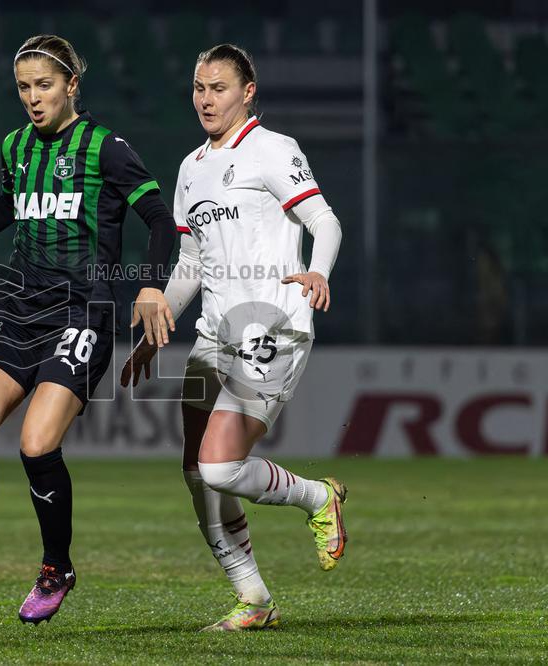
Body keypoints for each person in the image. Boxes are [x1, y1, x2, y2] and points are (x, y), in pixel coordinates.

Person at [0, 34, 177, 625]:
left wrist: (150, 286)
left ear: (72, 85)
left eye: (44, 85)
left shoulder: (107, 148)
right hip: (20, 308)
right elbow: (9, 204)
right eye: (24, 87)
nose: (33, 98)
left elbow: (160, 219)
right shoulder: (17, 145)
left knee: (37, 444)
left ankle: (56, 568)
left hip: (83, 311)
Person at [121, 43, 346, 632]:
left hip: (271, 325)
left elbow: (325, 219)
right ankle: (254, 598)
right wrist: (156, 325)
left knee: (220, 468)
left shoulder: (273, 151)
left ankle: (318, 498)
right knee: (198, 476)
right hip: (213, 334)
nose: (205, 98)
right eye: (198, 87)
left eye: (217, 87)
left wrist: (318, 270)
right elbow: (191, 260)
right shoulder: (191, 167)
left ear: (248, 92)